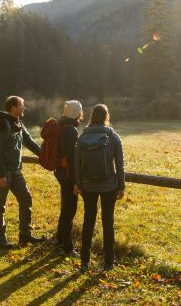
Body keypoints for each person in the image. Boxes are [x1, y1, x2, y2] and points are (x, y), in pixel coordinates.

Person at [74, 104, 125, 272]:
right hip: (109, 186)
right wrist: (121, 186)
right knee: (107, 222)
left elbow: (77, 164)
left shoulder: (82, 137)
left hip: (88, 186)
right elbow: (119, 164)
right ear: (106, 116)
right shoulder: (113, 137)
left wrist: (79, 184)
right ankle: (108, 262)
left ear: (91, 116)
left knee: (88, 221)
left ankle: (84, 262)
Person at [0, 96, 44, 250]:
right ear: (13, 107)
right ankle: (0, 240)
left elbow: (29, 142)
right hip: (3, 171)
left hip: (15, 170)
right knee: (0, 205)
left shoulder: (18, 123)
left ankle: (25, 235)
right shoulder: (0, 124)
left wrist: (45, 157)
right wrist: (0, 174)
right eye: (21, 105)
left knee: (26, 198)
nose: (23, 108)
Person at [54, 100, 83, 257]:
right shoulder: (71, 130)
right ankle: (67, 246)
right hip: (67, 175)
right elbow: (72, 159)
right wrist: (76, 183)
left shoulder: (62, 126)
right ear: (77, 112)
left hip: (60, 172)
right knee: (69, 210)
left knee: (65, 207)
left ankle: (60, 239)